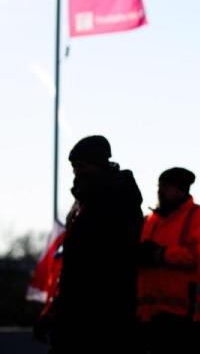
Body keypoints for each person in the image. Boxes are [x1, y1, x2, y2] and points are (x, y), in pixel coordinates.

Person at [36, 135, 143, 354]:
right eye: (74, 166)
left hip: (106, 316)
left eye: (82, 166)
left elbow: (110, 261)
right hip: (77, 312)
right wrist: (57, 309)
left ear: (99, 164)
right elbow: (73, 266)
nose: (77, 172)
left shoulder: (120, 199)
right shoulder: (83, 201)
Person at [138, 167, 200, 354]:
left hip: (182, 317)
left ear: (182, 189)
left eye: (166, 187)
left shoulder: (198, 216)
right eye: (159, 186)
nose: (160, 191)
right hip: (148, 315)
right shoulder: (150, 221)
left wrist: (160, 254)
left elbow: (199, 256)